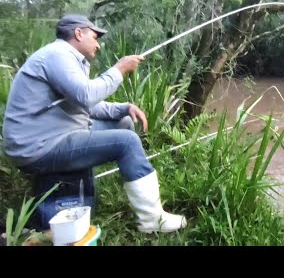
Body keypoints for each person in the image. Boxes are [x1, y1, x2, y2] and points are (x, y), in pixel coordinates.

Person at [2, 14, 186, 233]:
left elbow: (84, 104)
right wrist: (119, 69)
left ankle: (131, 192)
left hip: (54, 136)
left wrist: (124, 107)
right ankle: (152, 220)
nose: (98, 44)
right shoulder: (57, 55)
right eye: (95, 36)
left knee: (124, 123)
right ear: (79, 33)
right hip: (38, 147)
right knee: (126, 142)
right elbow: (86, 95)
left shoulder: (66, 58)